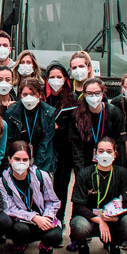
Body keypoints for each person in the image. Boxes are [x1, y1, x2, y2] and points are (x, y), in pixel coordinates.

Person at [69, 138, 127, 254]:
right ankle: (82, 246)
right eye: (101, 151)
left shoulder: (122, 173)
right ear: (95, 154)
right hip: (90, 218)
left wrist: (114, 216)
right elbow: (78, 205)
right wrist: (99, 219)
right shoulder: (84, 173)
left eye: (109, 151)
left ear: (115, 154)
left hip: (112, 218)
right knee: (80, 225)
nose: (105, 155)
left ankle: (114, 245)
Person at [0, 142, 62, 254]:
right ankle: (19, 248)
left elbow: (53, 201)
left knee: (55, 235)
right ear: (9, 160)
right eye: (17, 159)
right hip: (21, 222)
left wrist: (47, 217)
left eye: (25, 159)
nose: (21, 163)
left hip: (43, 220)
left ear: (30, 161)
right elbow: (9, 209)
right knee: (19, 230)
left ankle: (45, 248)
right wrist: (33, 217)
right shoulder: (3, 182)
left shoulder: (41, 176)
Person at [69, 78, 127, 174]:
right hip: (87, 161)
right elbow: (77, 148)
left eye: (97, 93)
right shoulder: (76, 115)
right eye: (90, 93)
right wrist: (80, 173)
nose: (94, 96)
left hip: (109, 160)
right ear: (84, 94)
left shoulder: (114, 113)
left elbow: (120, 144)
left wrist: (118, 171)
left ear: (102, 93)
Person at [3, 78, 56, 174]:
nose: (28, 98)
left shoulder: (49, 112)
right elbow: (9, 141)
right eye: (25, 95)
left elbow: (46, 142)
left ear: (39, 94)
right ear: (20, 95)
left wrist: (37, 167)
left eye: (32, 94)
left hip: (42, 161)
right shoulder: (11, 113)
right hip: (17, 160)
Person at [44, 62, 76, 223]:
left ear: (65, 79)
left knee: (61, 186)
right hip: (45, 147)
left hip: (65, 148)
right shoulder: (41, 95)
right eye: (52, 77)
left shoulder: (72, 97)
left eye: (59, 77)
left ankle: (59, 219)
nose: (55, 80)